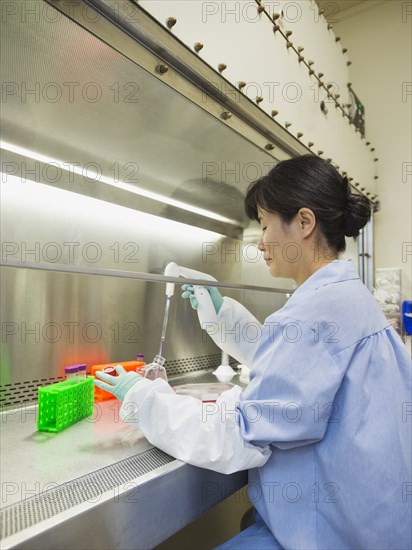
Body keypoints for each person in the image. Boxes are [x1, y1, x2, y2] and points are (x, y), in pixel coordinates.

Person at [95, 155, 411, 549]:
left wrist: (145, 399)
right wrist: (221, 317)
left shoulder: (315, 312)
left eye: (264, 226)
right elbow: (299, 368)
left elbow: (237, 438)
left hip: (330, 534)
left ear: (304, 223)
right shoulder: (345, 299)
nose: (260, 243)